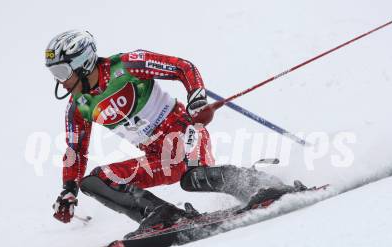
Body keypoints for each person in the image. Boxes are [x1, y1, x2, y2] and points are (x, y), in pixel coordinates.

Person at [45, 30, 300, 232]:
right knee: (95, 182)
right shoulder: (78, 107)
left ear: (82, 62)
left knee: (193, 179)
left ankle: (262, 186)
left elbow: (182, 67)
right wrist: (69, 190)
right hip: (158, 156)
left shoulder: (127, 65)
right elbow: (75, 151)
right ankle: (162, 215)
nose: (59, 79)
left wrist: (197, 98)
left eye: (61, 71)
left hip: (182, 130)